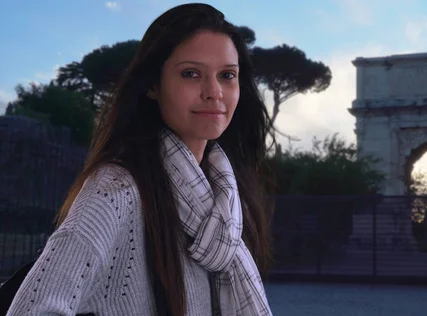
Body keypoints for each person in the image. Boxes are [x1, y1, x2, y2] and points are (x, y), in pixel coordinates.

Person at [7, 3, 275, 316]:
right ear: (152, 85)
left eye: (227, 75)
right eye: (191, 74)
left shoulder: (226, 196)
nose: (214, 92)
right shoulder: (117, 188)